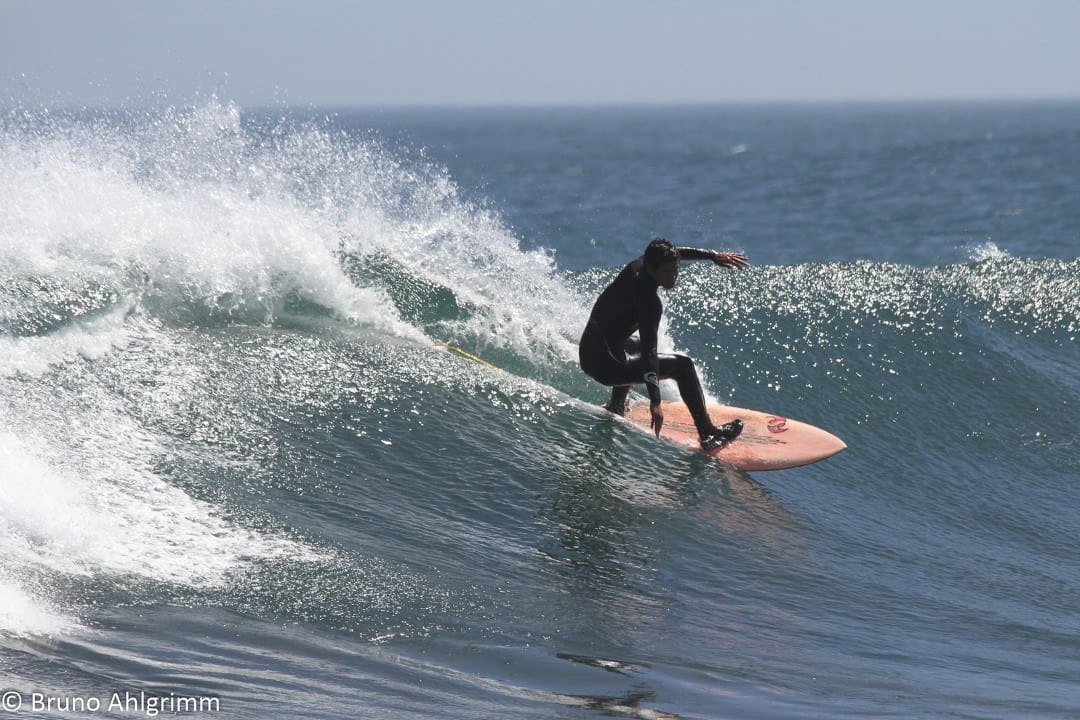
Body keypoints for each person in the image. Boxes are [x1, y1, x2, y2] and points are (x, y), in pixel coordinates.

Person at [579, 237, 749, 447]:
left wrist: (713, 256)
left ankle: (616, 406)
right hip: (605, 367)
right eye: (667, 272)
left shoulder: (638, 266)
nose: (673, 276)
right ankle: (707, 433)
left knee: (636, 344)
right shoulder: (649, 301)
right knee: (683, 366)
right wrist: (655, 401)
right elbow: (650, 353)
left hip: (590, 351)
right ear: (652, 268)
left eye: (675, 270)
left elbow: (677, 252)